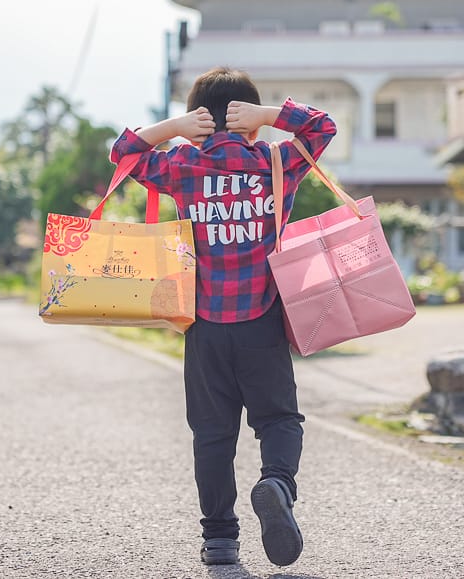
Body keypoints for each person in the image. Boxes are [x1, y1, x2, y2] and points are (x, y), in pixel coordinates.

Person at [109, 67, 336, 567]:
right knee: (278, 418)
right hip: (262, 321)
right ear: (251, 123)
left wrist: (174, 128)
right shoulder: (278, 162)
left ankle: (219, 540)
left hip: (204, 325)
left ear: (198, 120)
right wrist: (270, 116)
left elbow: (123, 153)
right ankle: (276, 482)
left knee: (212, 434)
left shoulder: (182, 166)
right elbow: (322, 127)